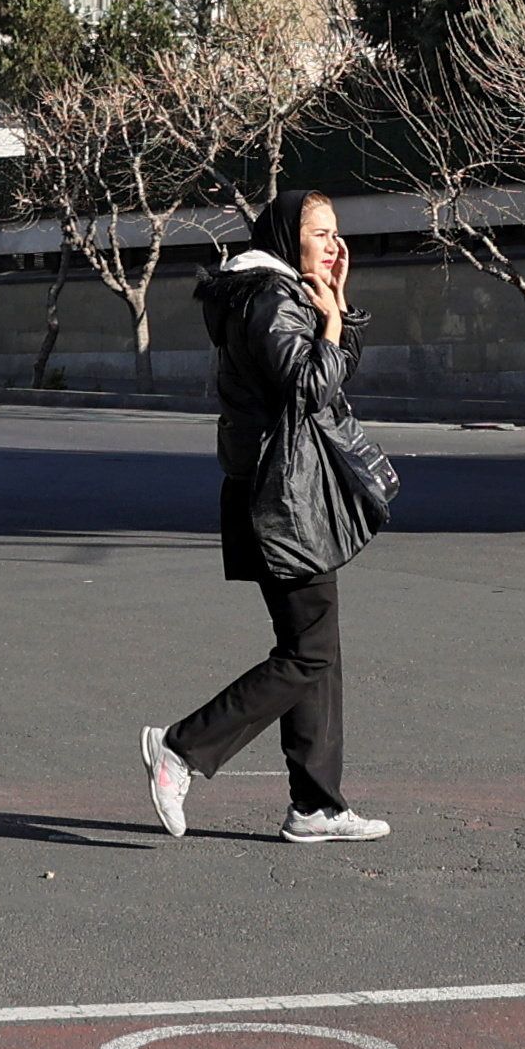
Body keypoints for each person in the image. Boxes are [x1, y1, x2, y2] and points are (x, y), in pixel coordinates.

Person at [142, 188, 398, 845]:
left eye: (337, 232)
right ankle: (181, 747)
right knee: (309, 651)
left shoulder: (278, 291)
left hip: (283, 493)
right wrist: (332, 326)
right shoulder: (269, 297)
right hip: (282, 500)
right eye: (320, 233)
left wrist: (338, 308)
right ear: (287, 237)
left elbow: (325, 377)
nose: (334, 244)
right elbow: (308, 385)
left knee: (316, 651)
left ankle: (315, 804)